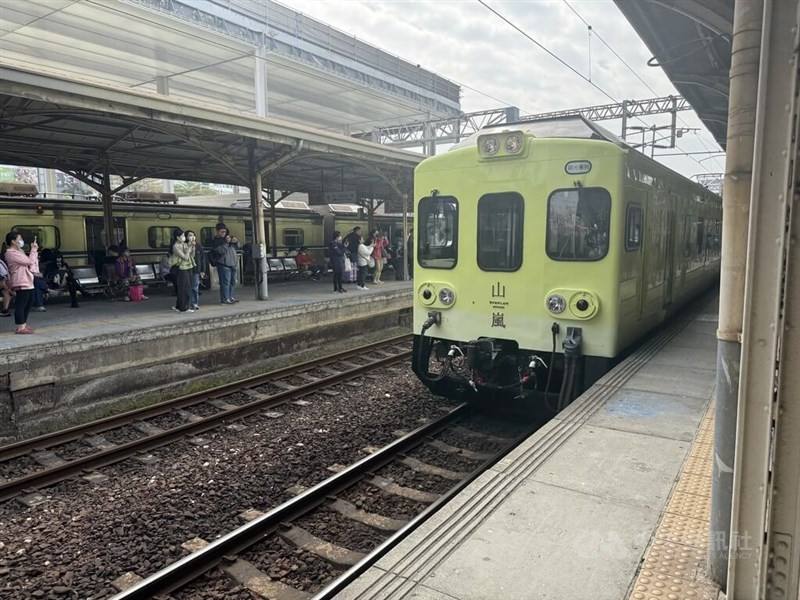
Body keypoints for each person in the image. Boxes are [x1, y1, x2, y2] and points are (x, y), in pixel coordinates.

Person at [5, 231, 38, 334]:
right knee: (21, 303)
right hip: (20, 280)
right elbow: (29, 262)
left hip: (27, 279)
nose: (21, 241)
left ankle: (23, 324)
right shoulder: (11, 253)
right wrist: (33, 250)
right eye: (19, 239)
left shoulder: (19, 251)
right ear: (13, 241)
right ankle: (20, 327)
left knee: (29, 301)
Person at [212, 223, 239, 304]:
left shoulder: (229, 238)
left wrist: (236, 241)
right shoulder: (216, 241)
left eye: (225, 231)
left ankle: (231, 297)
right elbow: (221, 251)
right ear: (217, 231)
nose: (223, 233)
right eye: (221, 232)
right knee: (225, 282)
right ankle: (225, 299)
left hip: (233, 263)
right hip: (223, 264)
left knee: (233, 281)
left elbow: (237, 247)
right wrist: (226, 243)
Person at [169, 229, 195, 313]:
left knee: (187, 287)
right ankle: (183, 308)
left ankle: (180, 305)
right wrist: (188, 249)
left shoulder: (184, 244)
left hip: (188, 267)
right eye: (182, 236)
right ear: (177, 237)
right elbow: (185, 257)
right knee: (183, 288)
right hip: (181, 268)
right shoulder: (175, 246)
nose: (184, 237)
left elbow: (192, 256)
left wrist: (192, 246)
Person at [185, 230, 206, 310]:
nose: (192, 237)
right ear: (186, 237)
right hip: (186, 269)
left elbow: (203, 258)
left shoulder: (198, 246)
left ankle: (194, 303)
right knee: (187, 287)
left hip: (196, 270)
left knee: (195, 287)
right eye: (190, 235)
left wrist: (203, 270)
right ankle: (187, 303)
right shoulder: (184, 245)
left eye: (193, 235)